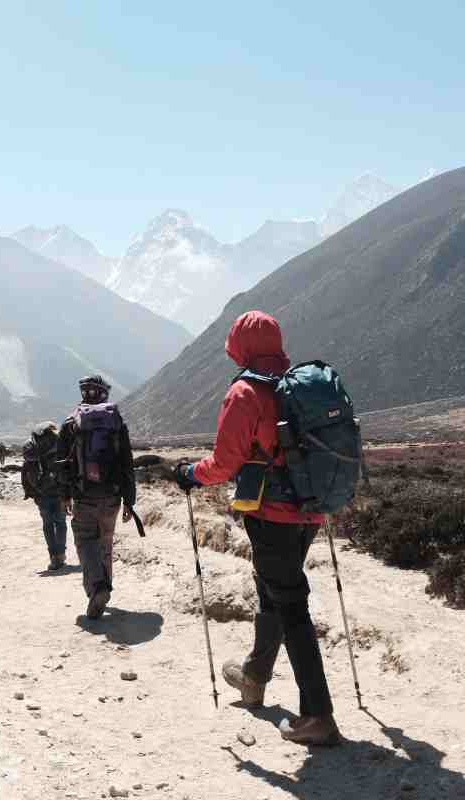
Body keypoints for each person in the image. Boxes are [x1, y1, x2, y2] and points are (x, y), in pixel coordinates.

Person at [174, 310, 340, 746]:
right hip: (310, 510)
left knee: (291, 606)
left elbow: (225, 462)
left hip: (271, 514)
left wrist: (190, 473)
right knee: (274, 591)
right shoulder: (298, 387)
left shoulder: (246, 392)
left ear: (239, 346)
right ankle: (254, 678)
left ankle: (317, 716)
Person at [56, 375, 136, 620]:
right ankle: (105, 588)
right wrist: (129, 500)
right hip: (111, 496)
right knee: (105, 543)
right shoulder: (115, 421)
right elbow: (126, 462)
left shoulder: (71, 422)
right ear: (104, 393)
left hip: (84, 496)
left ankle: (97, 588)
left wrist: (65, 495)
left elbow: (62, 464)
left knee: (85, 542)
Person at [22, 422, 67, 570]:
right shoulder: (57, 443)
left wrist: (30, 491)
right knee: (60, 523)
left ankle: (53, 557)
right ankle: (61, 555)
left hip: (41, 493)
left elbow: (25, 472)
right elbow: (66, 469)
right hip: (59, 491)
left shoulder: (33, 446)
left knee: (47, 525)